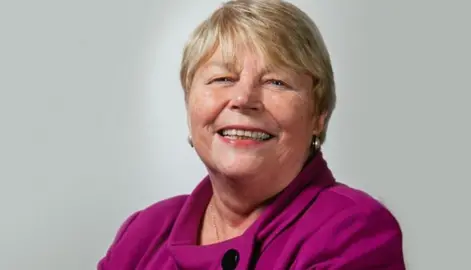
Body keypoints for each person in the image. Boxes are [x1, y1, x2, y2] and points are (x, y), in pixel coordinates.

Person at [98, 0, 405, 269]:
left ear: (318, 116)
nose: (243, 99)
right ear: (189, 105)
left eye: (276, 82)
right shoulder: (144, 233)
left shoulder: (353, 230)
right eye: (222, 78)